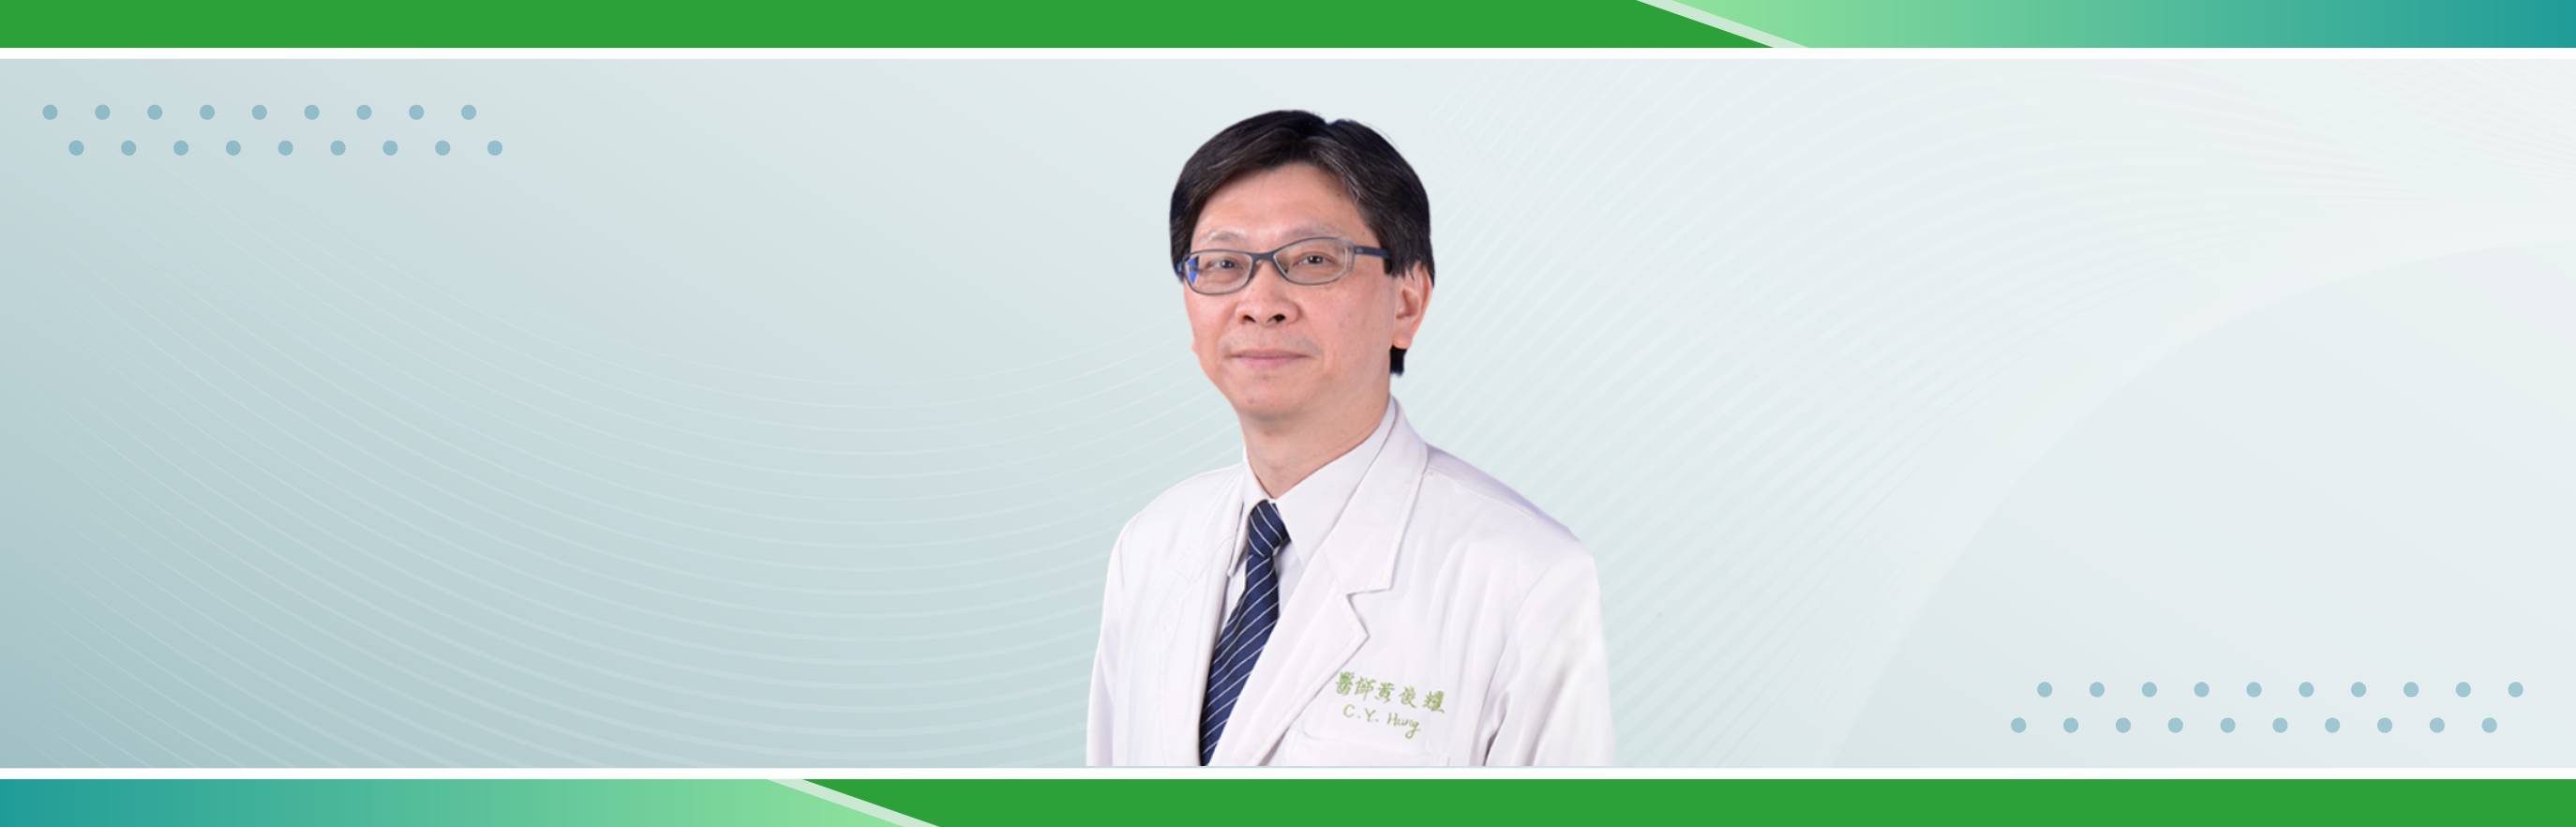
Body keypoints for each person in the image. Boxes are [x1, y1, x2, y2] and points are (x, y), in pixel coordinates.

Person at [1085, 111, 1612, 766]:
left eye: (1313, 260)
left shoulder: (1527, 577)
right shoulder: (1151, 547)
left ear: (1407, 303)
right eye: (1222, 264)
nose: (1261, 303)